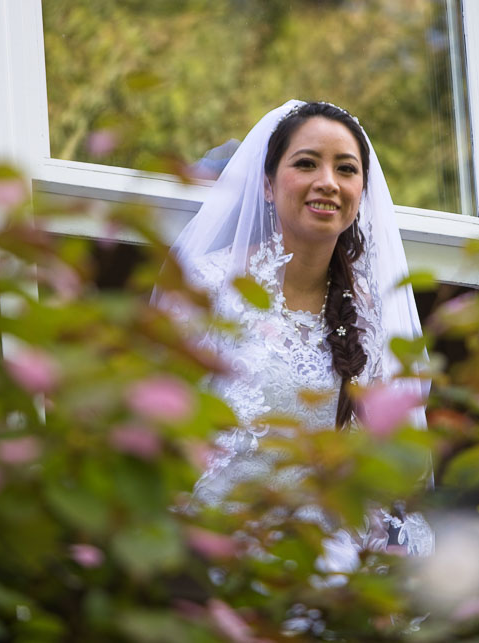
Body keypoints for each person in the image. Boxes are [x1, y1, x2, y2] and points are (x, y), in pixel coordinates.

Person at [159, 100, 433, 565]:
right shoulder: (208, 287)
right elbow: (163, 434)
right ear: (267, 185)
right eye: (306, 163)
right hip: (217, 559)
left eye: (345, 169)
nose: (327, 181)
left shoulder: (373, 316)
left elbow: (385, 471)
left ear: (361, 192)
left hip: (328, 571)